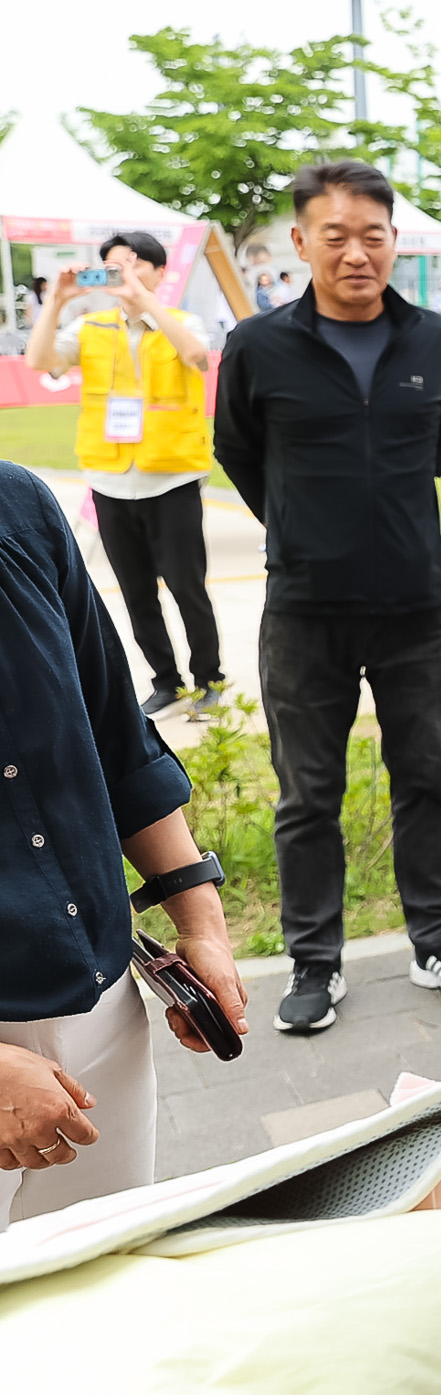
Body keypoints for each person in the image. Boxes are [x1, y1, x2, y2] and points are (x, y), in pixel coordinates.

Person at [214, 161, 441, 1036]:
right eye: (334, 235)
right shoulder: (259, 346)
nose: (355, 252)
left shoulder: (430, 340)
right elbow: (238, 453)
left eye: (372, 235)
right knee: (308, 795)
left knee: (426, 779)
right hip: (304, 610)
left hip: (416, 604)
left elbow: (433, 452)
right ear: (300, 242)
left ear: (393, 242)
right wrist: (302, 526)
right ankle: (314, 960)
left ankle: (439, 939)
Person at [0, 459, 248, 1232]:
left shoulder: (18, 504)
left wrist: (199, 920)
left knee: (106, 1307)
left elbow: (115, 730)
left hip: (102, 1005)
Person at [25, 233, 226, 719]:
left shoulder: (180, 321)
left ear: (158, 271)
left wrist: (147, 304)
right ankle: (166, 682)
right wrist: (56, 300)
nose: (124, 277)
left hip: (171, 476)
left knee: (187, 587)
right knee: (136, 594)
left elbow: (197, 357)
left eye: (134, 266)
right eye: (114, 269)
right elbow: (39, 361)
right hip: (111, 478)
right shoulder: (91, 327)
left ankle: (209, 681)